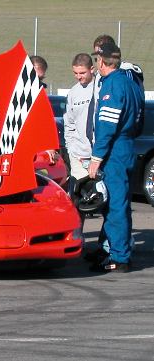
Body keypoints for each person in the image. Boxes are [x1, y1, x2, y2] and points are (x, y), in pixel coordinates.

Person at [85, 34, 144, 264]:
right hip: (127, 145)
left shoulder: (112, 85)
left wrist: (96, 158)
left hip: (115, 150)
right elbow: (139, 120)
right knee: (121, 203)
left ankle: (119, 256)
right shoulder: (131, 82)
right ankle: (115, 250)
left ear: (101, 61)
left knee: (115, 205)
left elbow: (107, 126)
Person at [63, 53, 95, 240]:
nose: (79, 77)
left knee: (101, 198)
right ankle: (78, 237)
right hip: (79, 155)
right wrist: (71, 149)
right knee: (78, 199)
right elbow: (70, 123)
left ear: (92, 69)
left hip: (98, 153)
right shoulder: (74, 92)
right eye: (75, 73)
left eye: (82, 73)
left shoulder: (100, 87)